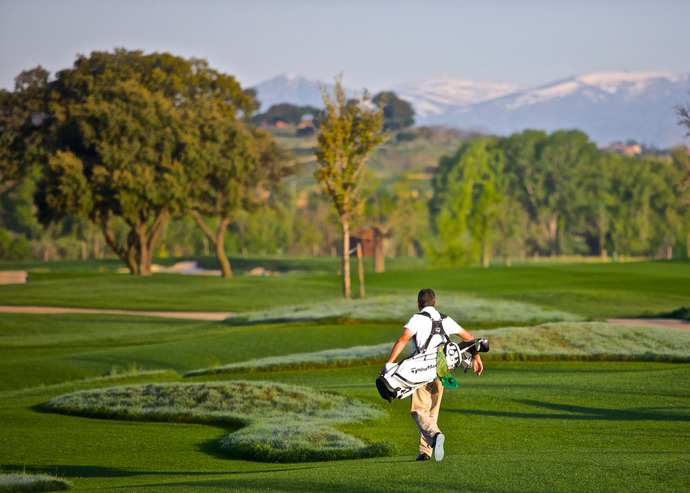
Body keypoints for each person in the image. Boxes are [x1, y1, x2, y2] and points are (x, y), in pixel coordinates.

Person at [380, 288, 483, 462]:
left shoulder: (417, 319)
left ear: (418, 304)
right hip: (442, 369)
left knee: (419, 410)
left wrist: (389, 364)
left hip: (419, 370)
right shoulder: (445, 319)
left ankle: (435, 436)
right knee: (432, 411)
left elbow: (403, 339)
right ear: (435, 303)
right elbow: (470, 338)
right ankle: (425, 452)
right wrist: (477, 358)